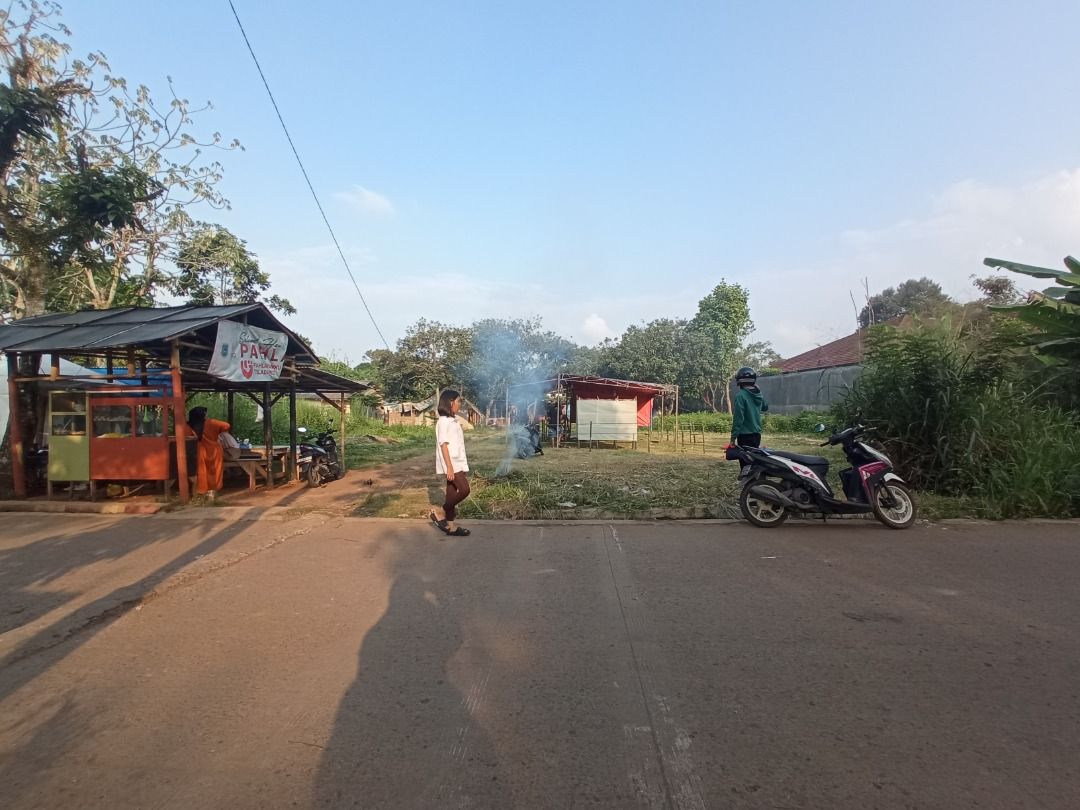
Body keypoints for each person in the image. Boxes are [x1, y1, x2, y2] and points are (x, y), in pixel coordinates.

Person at [429, 389, 471, 537]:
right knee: (465, 490)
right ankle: (440, 511)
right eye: (458, 401)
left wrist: (463, 465)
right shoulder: (443, 422)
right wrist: (450, 467)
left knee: (451, 493)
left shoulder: (454, 421)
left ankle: (451, 526)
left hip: (458, 462)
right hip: (451, 463)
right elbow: (443, 445)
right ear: (450, 402)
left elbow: (458, 445)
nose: (460, 404)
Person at [187, 407, 231, 498]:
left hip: (199, 451)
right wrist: (217, 431)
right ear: (203, 415)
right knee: (216, 471)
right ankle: (213, 491)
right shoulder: (211, 422)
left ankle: (201, 490)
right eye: (205, 413)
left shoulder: (188, 425)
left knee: (201, 471)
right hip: (215, 451)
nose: (206, 415)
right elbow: (227, 425)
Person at [730, 367, 769, 466]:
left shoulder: (741, 396)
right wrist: (759, 393)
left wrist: (733, 438)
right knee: (753, 462)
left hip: (745, 436)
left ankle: (746, 476)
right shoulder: (758, 394)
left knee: (745, 464)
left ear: (739, 381)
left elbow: (738, 419)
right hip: (756, 435)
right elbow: (765, 407)